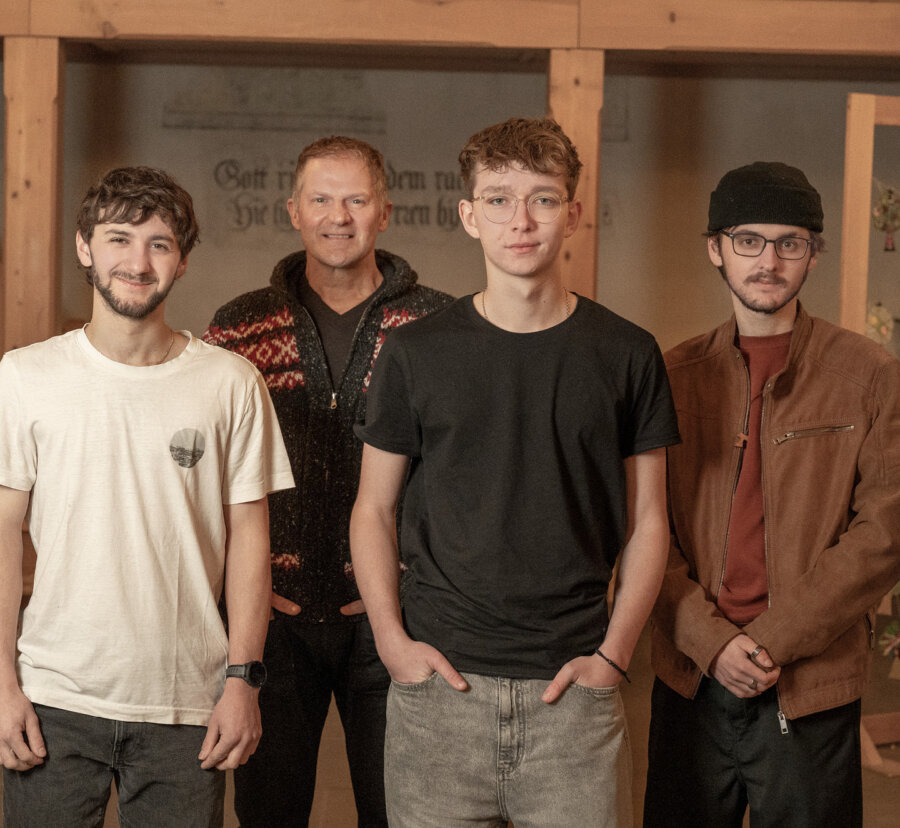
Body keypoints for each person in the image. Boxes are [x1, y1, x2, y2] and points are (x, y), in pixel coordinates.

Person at [350, 116, 681, 827]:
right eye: (498, 198)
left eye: (543, 198)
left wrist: (615, 658)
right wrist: (391, 644)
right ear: (469, 215)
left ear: (574, 214)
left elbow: (650, 518)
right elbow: (373, 509)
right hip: (440, 693)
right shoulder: (416, 354)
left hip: (574, 699)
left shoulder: (627, 353)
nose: (520, 219)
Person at [0, 166, 294, 828]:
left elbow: (253, 539)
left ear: (182, 261)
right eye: (119, 238)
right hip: (53, 700)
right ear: (84, 247)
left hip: (187, 705)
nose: (137, 261)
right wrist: (2, 687)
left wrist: (243, 682)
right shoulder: (24, 377)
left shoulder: (230, 382)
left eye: (159, 243)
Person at [644, 162, 900, 828]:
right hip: (692, 677)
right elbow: (642, 528)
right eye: (749, 240)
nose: (769, 260)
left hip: (810, 686)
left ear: (813, 254)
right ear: (716, 248)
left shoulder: (870, 375)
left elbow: (884, 533)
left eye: (789, 242)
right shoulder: (671, 374)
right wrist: (711, 641)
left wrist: (770, 642)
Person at [204, 135, 451, 827]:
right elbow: (212, 474)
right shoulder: (239, 326)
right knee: (268, 814)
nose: (337, 216)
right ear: (293, 211)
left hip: (394, 622)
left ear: (385, 212)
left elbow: (459, 473)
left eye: (355, 199)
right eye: (320, 198)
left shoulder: (437, 324)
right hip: (269, 620)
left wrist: (410, 585)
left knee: (401, 812)